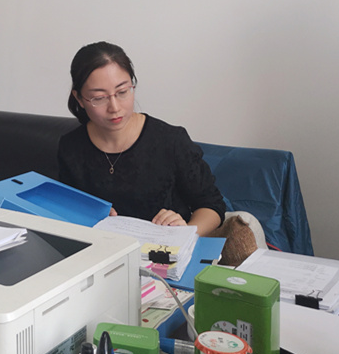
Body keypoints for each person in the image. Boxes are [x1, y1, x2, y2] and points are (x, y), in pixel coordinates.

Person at [57, 41, 225, 236]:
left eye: (122, 92)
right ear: (79, 99)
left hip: (164, 249)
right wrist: (87, 215)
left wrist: (185, 233)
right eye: (99, 98)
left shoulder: (170, 141)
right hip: (103, 248)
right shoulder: (71, 147)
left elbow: (212, 206)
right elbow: (67, 209)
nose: (114, 108)